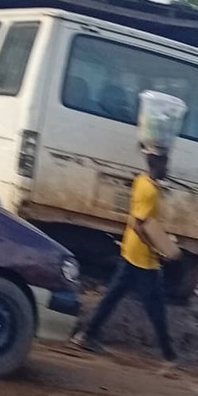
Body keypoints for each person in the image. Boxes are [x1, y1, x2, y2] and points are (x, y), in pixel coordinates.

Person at [72, 148, 177, 365]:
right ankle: (169, 355)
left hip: (131, 251)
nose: (168, 168)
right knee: (155, 306)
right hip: (142, 258)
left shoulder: (141, 181)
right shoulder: (150, 192)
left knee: (113, 296)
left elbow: (140, 223)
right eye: (166, 163)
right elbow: (140, 225)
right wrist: (158, 248)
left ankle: (86, 335)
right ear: (157, 164)